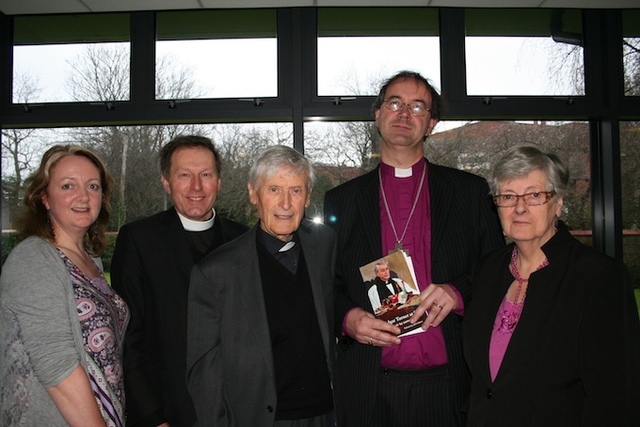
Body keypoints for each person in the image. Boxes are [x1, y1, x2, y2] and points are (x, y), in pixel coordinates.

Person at [323, 70, 504, 426]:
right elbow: (327, 284)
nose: (404, 113)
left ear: (432, 123)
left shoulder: (469, 192)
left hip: (449, 385)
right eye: (395, 103)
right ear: (377, 114)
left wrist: (458, 292)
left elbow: (498, 269)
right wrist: (347, 319)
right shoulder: (341, 200)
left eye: (417, 106)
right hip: (368, 386)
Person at [463, 145, 640, 426]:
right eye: (508, 196)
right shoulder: (486, 270)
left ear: (557, 202)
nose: (519, 207)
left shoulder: (599, 277)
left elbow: (615, 397)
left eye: (534, 195)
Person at [186, 145, 336, 427]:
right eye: (274, 190)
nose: (286, 204)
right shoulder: (215, 272)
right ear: (253, 193)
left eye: (296, 190)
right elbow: (203, 370)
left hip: (324, 414)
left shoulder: (324, 245)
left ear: (307, 197)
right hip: (259, 419)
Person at [110, 135, 247, 427]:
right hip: (169, 412)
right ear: (166, 182)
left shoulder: (244, 239)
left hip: (237, 409)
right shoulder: (139, 240)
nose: (196, 186)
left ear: (219, 182)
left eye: (205, 175)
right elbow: (128, 337)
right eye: (184, 175)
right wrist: (151, 416)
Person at [0, 145, 128, 426]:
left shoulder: (91, 260)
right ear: (45, 198)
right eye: (68, 185)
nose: (83, 196)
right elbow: (57, 368)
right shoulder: (34, 258)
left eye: (92, 186)